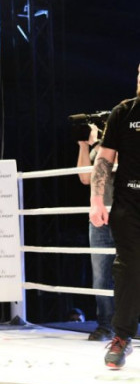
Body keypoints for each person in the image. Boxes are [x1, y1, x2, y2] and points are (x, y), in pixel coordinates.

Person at [90, 63, 140, 369]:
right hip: (129, 203)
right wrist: (97, 199)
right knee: (128, 268)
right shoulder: (123, 112)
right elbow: (104, 159)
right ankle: (122, 337)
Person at [77, 123, 115, 341]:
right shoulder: (98, 148)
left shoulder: (126, 138)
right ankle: (106, 326)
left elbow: (115, 164)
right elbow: (84, 177)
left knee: (130, 272)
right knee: (101, 275)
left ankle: (126, 325)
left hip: (127, 214)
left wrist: (102, 142)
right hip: (100, 217)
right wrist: (84, 145)